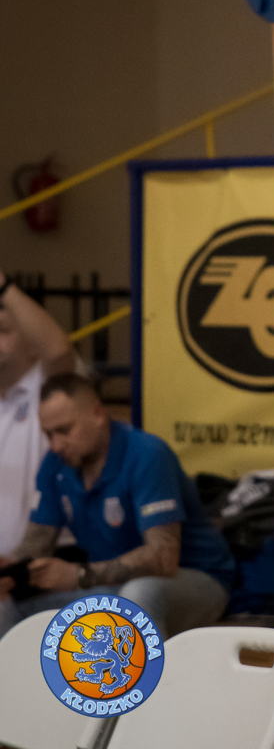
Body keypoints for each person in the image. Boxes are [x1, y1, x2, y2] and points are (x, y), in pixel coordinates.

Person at [0, 373, 236, 639]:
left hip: (196, 579)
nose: (55, 445)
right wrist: (11, 567)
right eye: (48, 434)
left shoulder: (147, 453)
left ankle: (146, 669)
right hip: (110, 583)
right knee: (5, 603)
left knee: (138, 595)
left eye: (64, 431)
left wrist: (78, 574)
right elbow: (36, 543)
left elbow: (163, 558)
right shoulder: (55, 464)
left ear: (98, 414)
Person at [0, 273, 78, 557]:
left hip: (47, 564)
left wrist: (3, 287)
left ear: (33, 343)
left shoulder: (47, 389)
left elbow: (58, 351)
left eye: (2, 330)